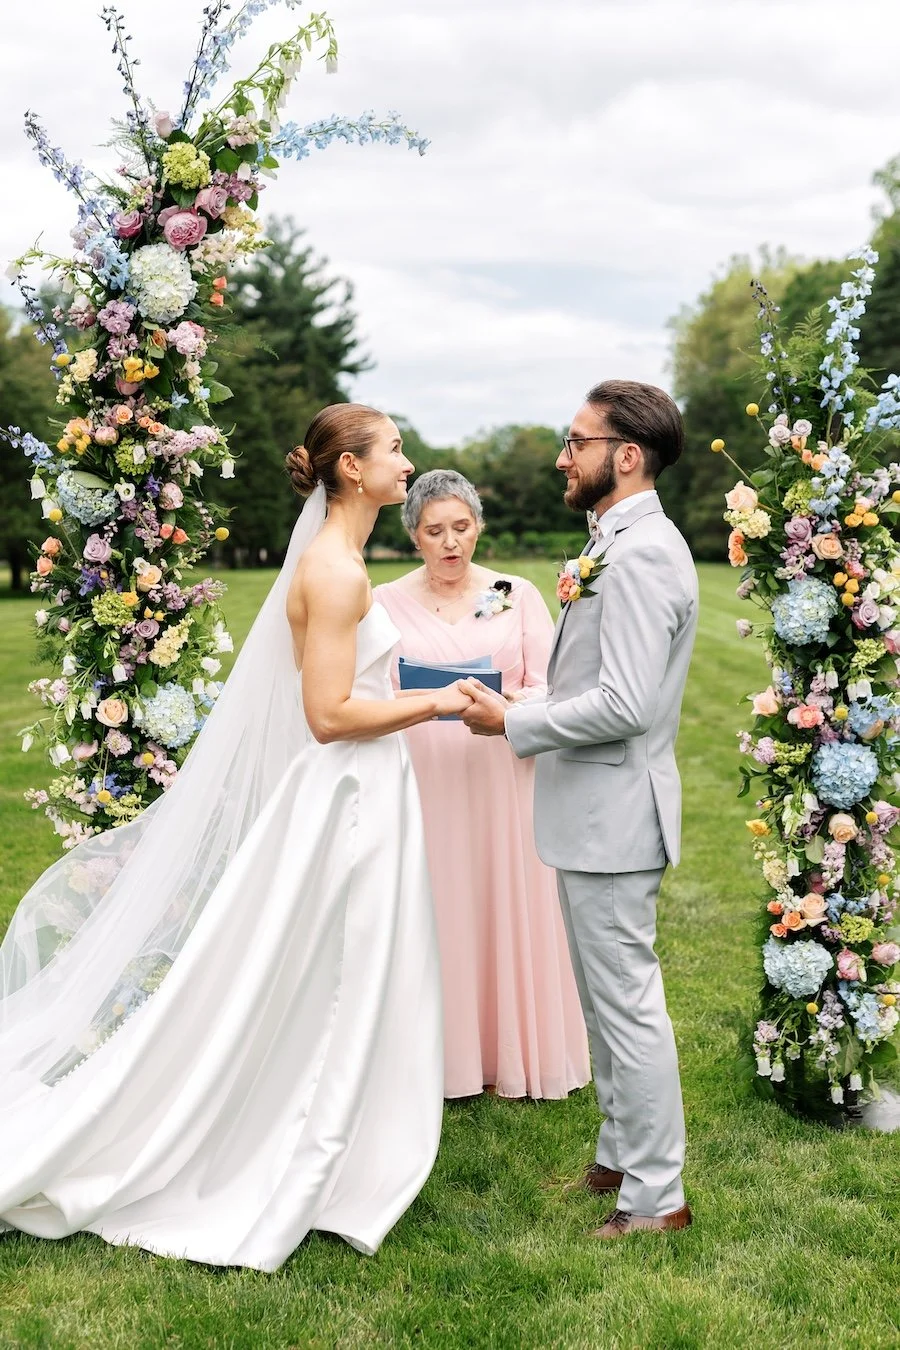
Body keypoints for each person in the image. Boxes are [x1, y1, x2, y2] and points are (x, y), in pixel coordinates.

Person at [0, 403, 471, 1270]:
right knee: (342, 972)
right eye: (396, 450)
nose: (410, 463)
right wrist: (441, 702)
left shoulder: (343, 557)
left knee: (341, 972)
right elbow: (328, 715)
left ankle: (344, 1135)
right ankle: (311, 1155)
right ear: (353, 470)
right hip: (351, 796)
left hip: (365, 789)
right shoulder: (336, 572)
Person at [461, 380, 698, 1240]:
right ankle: (620, 1156)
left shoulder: (639, 555)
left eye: (576, 442)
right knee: (604, 1003)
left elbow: (628, 702)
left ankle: (656, 1198)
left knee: (627, 1003)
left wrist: (515, 720)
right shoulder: (612, 542)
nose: (563, 457)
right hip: (590, 810)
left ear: (624, 456)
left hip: (614, 816)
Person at [375, 470, 590, 1100]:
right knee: (435, 900)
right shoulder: (384, 602)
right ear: (413, 535)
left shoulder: (515, 593)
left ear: (479, 526)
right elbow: (371, 689)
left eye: (461, 528)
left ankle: (509, 1052)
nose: (450, 543)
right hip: (424, 772)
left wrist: (513, 701)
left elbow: (553, 684)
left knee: (500, 896)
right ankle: (437, 1059)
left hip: (498, 766)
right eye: (434, 531)